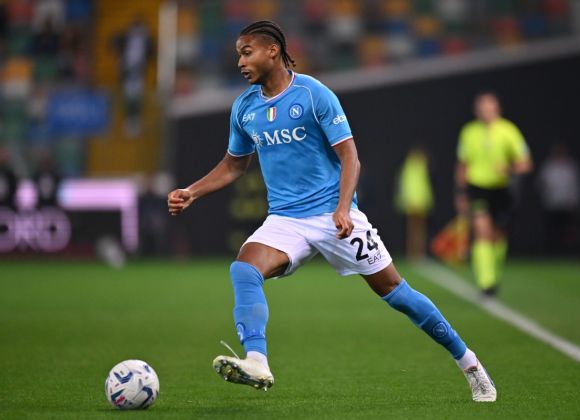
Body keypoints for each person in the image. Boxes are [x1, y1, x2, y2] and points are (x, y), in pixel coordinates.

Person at [168, 21, 496, 402]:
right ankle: (257, 359)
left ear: (272, 51)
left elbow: (350, 155)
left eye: (247, 52)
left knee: (396, 292)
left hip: (333, 214)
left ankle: (470, 363)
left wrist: (343, 207)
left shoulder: (313, 94)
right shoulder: (244, 107)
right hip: (286, 219)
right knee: (244, 268)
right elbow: (234, 165)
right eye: (238, 54)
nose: (240, 62)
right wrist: (192, 191)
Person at [455, 92, 533, 296]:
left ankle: (494, 273)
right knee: (481, 230)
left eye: (489, 107)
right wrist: (461, 193)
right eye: (482, 107)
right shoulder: (469, 132)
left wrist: (509, 168)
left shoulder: (508, 131)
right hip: (478, 187)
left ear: (497, 109)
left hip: (501, 189)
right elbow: (462, 165)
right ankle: (486, 282)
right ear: (476, 110)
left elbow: (525, 163)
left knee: (498, 236)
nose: (485, 111)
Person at [537, 143, 580, 255]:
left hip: (567, 204)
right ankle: (552, 252)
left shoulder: (571, 166)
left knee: (568, 230)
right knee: (552, 230)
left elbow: (576, 185)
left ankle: (569, 252)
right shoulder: (549, 167)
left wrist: (575, 201)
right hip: (552, 204)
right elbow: (541, 183)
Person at [395, 146, 433, 260]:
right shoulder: (409, 167)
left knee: (420, 229)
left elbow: (424, 185)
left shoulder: (421, 167)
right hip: (412, 201)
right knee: (412, 229)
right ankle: (412, 253)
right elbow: (408, 185)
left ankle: (419, 252)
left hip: (420, 201)